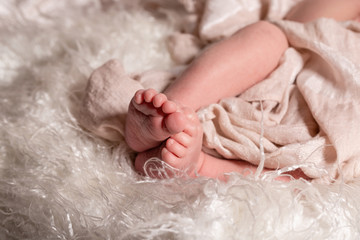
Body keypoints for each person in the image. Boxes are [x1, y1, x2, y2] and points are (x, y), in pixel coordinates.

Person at [124, 0, 360, 181]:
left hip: (340, 127)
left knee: (316, 173)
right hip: (291, 66)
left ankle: (201, 166)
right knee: (269, 35)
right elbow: (301, 26)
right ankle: (169, 113)